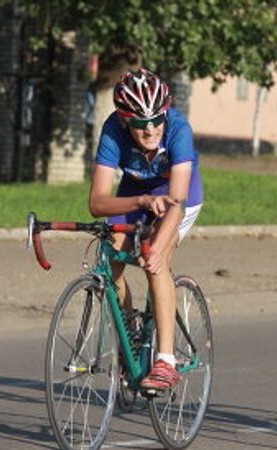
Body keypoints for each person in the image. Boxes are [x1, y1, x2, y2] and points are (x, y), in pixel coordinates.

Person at [89, 68, 204, 390]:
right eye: (140, 124)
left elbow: (177, 201)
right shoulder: (113, 130)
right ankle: (129, 340)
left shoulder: (179, 128)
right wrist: (139, 200)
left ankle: (166, 361)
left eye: (157, 120)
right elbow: (98, 202)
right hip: (137, 191)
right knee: (112, 259)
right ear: (126, 121)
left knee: (156, 260)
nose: (151, 129)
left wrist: (157, 247)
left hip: (180, 193)